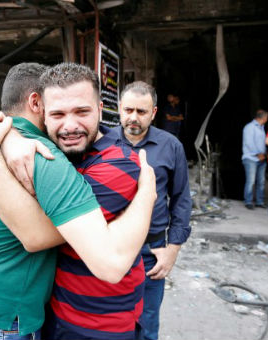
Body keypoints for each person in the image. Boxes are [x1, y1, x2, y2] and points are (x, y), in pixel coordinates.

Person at [0, 63, 156, 340]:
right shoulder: (38, 153)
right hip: (4, 321)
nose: (70, 125)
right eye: (58, 112)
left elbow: (109, 263)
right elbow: (38, 237)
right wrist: (147, 196)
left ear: (100, 109)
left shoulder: (9, 141)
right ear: (39, 105)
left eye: (81, 111)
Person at [112, 82, 191, 340]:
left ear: (154, 112)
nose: (133, 117)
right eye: (128, 110)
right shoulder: (102, 142)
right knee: (107, 321)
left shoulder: (171, 146)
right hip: (108, 247)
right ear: (119, 109)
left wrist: (173, 249)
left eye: (142, 112)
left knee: (146, 325)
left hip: (151, 252)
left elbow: (180, 199)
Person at [242, 109, 268, 209]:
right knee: (251, 181)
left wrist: (264, 154)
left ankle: (259, 202)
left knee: (261, 181)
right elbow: (249, 143)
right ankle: (248, 201)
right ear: (264, 118)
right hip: (251, 158)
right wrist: (258, 154)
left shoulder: (261, 127)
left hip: (262, 158)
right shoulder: (250, 127)